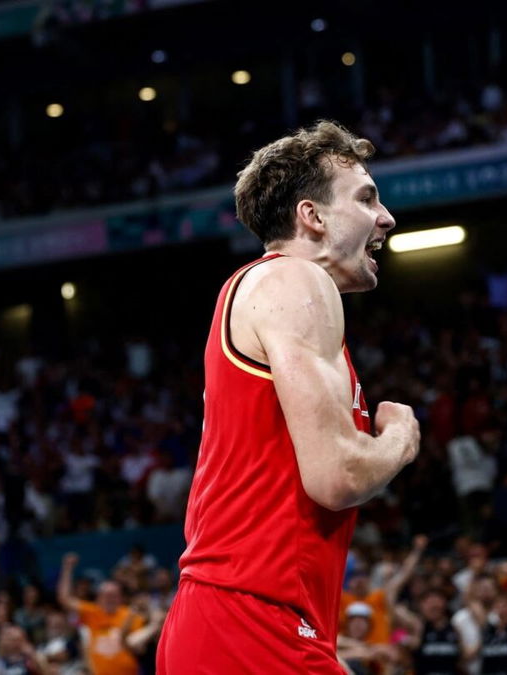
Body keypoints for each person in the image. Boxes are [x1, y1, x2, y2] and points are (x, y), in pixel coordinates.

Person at [157, 121, 420, 673]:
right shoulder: (297, 281)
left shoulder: (266, 290)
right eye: (367, 197)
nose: (386, 217)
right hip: (253, 620)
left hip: (240, 620)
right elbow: (338, 477)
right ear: (313, 216)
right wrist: (399, 436)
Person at [58, 553, 142, 675]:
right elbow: (64, 599)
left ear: (121, 598)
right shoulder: (93, 612)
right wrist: (67, 568)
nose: (109, 599)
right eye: (105, 595)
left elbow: (138, 646)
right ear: (98, 598)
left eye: (113, 595)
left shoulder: (130, 615)